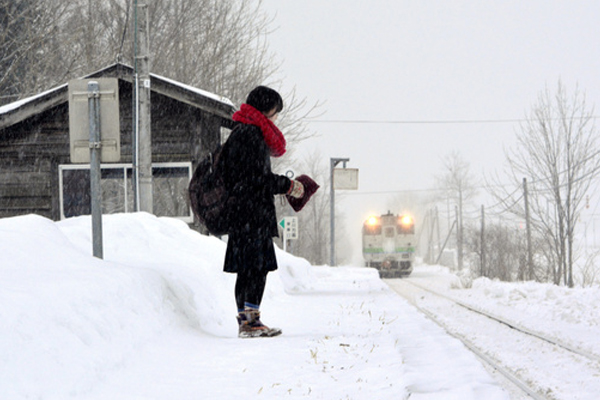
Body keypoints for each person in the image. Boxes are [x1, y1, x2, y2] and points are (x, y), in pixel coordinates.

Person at [220, 86, 305, 338]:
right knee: (256, 268)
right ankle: (250, 322)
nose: (276, 117)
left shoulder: (239, 132)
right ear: (266, 109)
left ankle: (247, 321)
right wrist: (288, 185)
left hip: (240, 213)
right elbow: (258, 179)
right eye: (275, 112)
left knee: (247, 268)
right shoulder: (252, 135)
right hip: (252, 214)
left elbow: (242, 176)